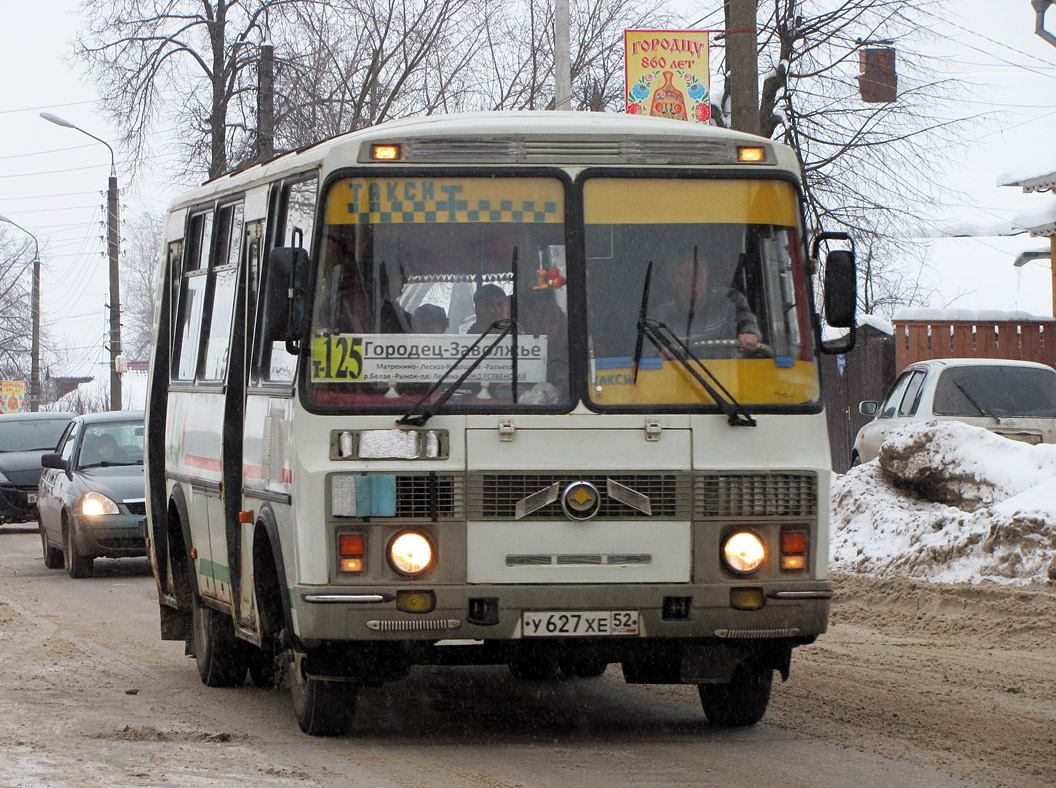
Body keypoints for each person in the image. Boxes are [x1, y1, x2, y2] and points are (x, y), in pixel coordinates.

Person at [655, 249, 760, 354]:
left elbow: (745, 320)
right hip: (682, 370)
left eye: (698, 272)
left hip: (729, 369)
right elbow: (650, 350)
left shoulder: (729, 299)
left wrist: (749, 335)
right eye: (685, 274)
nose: (694, 280)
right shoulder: (663, 315)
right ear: (675, 280)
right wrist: (661, 352)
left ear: (707, 274)